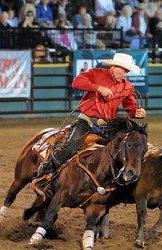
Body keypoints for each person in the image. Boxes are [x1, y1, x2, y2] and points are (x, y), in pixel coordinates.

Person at [34, 53, 147, 187]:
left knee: (125, 149)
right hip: (87, 120)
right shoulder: (96, 74)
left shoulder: (127, 87)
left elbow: (131, 109)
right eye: (123, 70)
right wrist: (98, 88)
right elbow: (76, 82)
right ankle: (44, 173)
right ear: (113, 67)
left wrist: (138, 113)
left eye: (127, 71)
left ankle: (122, 179)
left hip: (109, 125)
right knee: (71, 146)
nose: (125, 75)